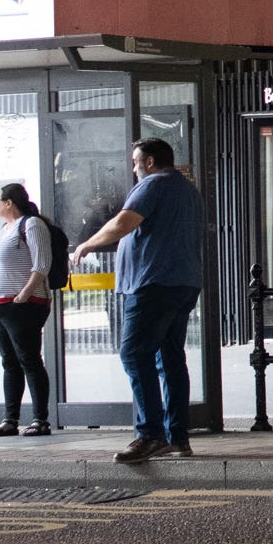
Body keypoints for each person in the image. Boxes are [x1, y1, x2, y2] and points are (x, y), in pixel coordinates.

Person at [72, 138, 205, 463]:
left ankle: (150, 435)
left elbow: (123, 223)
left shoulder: (154, 184)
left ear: (148, 162)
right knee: (169, 358)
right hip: (182, 282)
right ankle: (177, 437)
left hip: (153, 284)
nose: (133, 169)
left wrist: (87, 244)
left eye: (135, 163)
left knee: (134, 353)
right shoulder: (187, 190)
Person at [0, 183, 54, 437]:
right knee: (9, 362)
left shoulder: (31, 225)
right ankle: (10, 419)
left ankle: (40, 420)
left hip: (23, 304)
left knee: (29, 360)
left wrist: (24, 294)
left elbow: (42, 263)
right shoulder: (4, 229)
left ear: (9, 203)